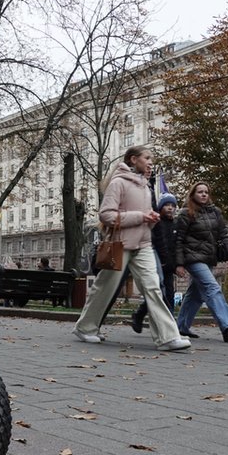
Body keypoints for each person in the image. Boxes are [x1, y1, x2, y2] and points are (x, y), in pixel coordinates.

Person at [71, 145, 190, 352]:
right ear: (133, 160)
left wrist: (151, 219)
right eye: (147, 158)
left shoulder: (145, 186)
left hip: (143, 245)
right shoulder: (118, 183)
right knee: (104, 288)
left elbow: (142, 216)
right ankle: (85, 328)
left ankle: (167, 337)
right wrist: (141, 217)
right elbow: (105, 215)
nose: (151, 162)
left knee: (153, 288)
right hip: (120, 245)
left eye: (151, 158)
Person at [174, 181, 228, 342]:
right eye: (200, 192)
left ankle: (181, 327)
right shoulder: (186, 213)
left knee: (195, 294)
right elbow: (178, 240)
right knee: (212, 287)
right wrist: (179, 264)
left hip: (209, 258)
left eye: (206, 192)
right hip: (193, 258)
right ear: (193, 195)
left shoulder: (215, 212)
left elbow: (223, 235)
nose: (204, 194)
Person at [131, 192, 182, 334]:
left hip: (169, 265)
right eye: (167, 205)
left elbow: (177, 246)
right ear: (160, 207)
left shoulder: (176, 225)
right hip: (156, 262)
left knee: (169, 294)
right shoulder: (157, 224)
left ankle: (170, 324)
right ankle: (145, 316)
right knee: (158, 291)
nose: (170, 208)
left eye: (173, 205)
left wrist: (177, 264)